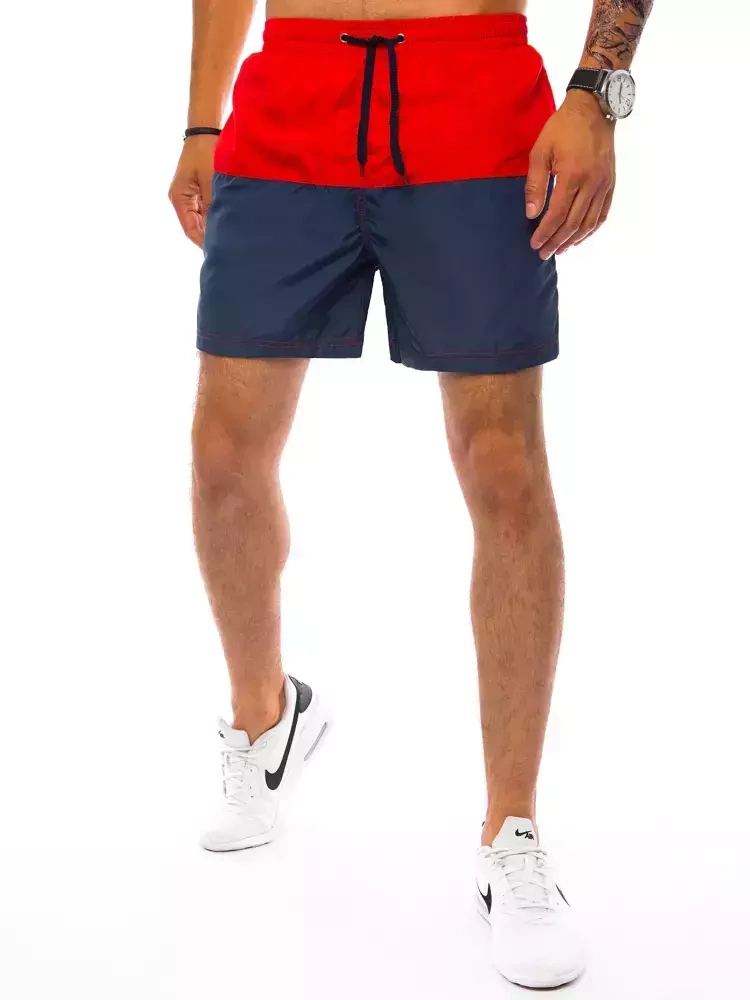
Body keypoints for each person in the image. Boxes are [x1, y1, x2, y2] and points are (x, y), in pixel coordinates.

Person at [169, 0, 653, 988]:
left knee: (503, 465)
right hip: (290, 99)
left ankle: (512, 831)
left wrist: (596, 94)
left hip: (472, 99)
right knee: (224, 455)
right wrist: (202, 121)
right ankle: (266, 723)